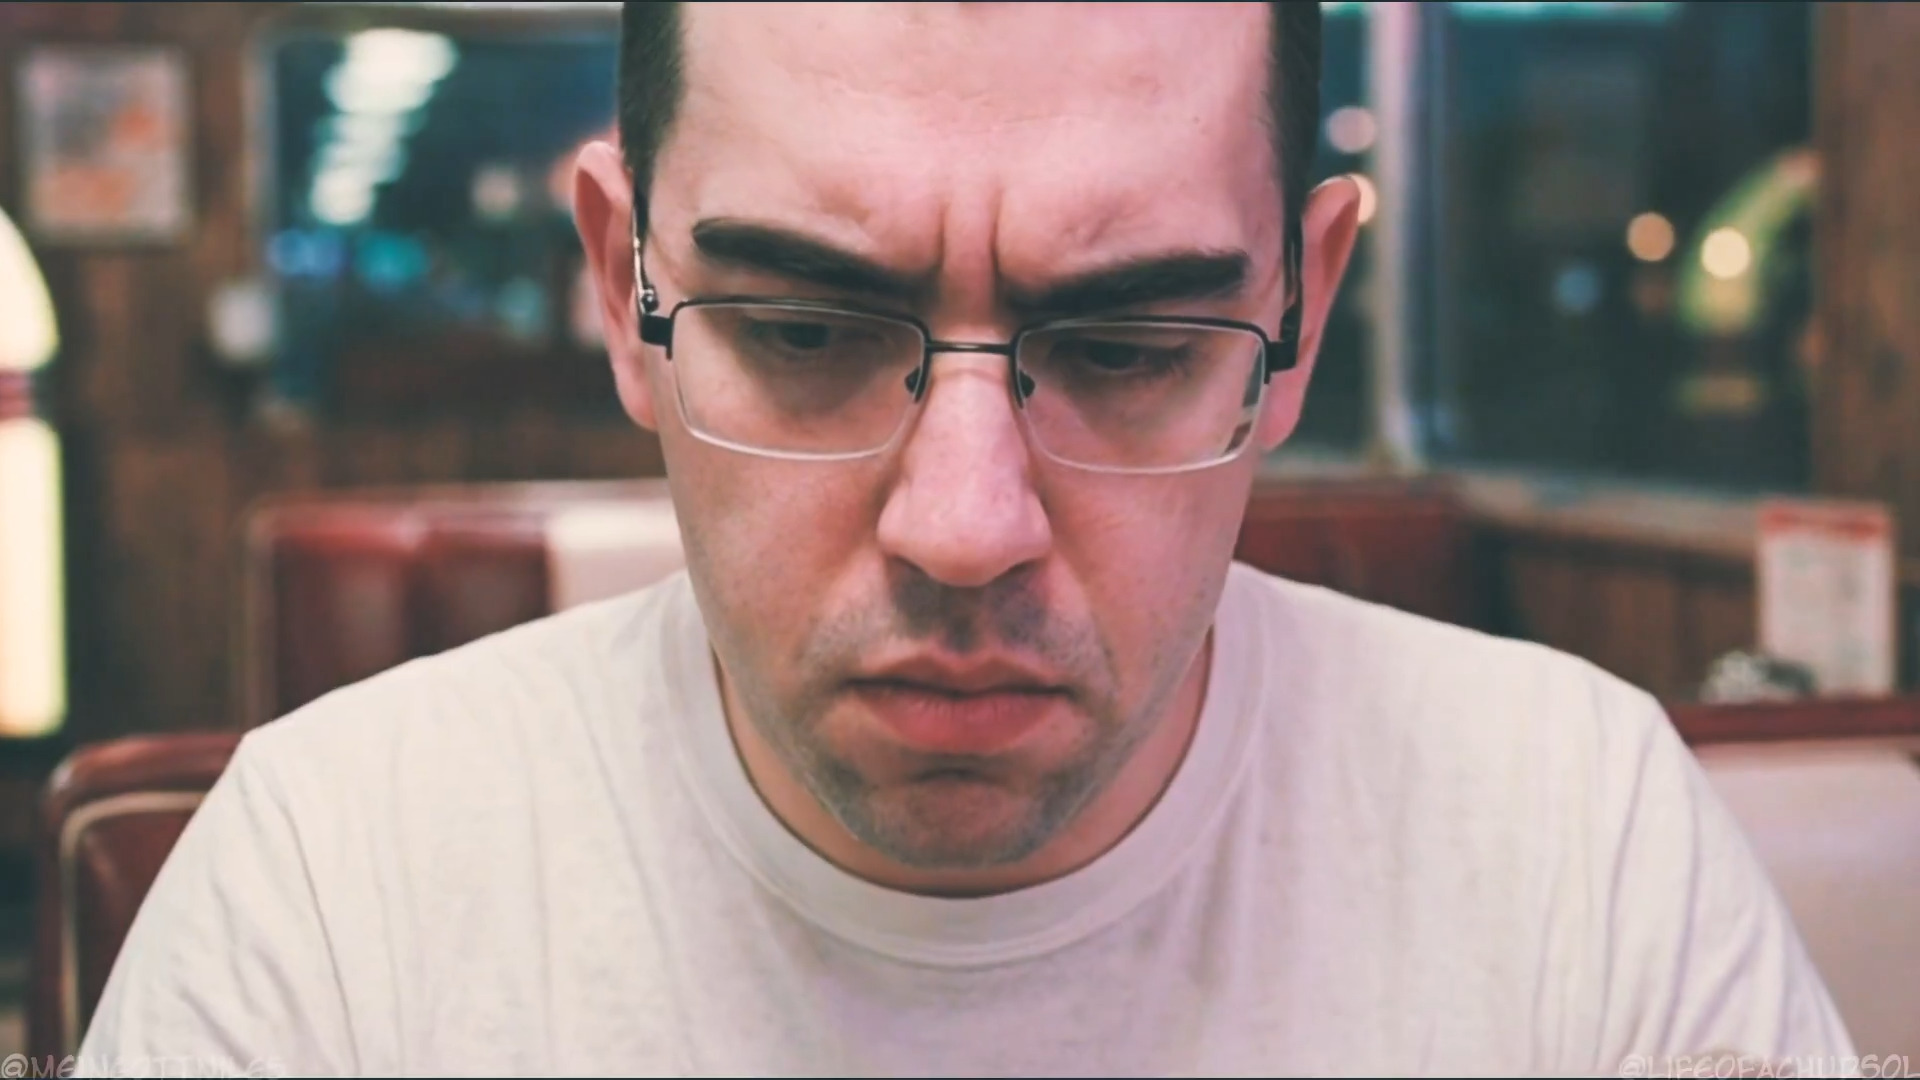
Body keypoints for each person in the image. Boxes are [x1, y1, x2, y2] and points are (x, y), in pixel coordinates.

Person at [82, 2, 1852, 1075]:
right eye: (803, 331)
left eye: (1133, 348)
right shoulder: (333, 894)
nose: (966, 526)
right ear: (625, 293)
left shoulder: (1577, 841)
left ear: (1303, 316)